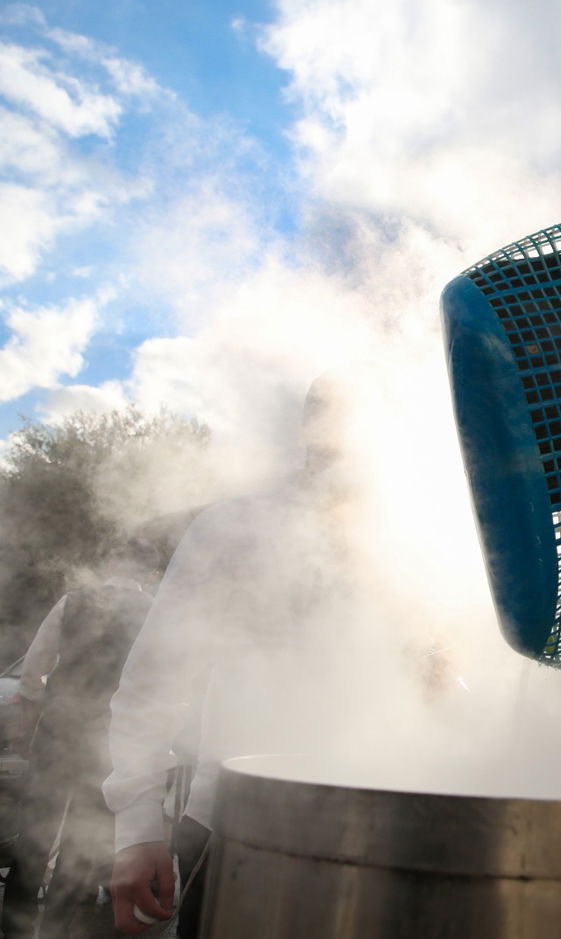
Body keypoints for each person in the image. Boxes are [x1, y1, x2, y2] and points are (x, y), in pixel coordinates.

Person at [102, 377, 369, 937]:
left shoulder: (434, 549)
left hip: (394, 829)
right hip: (233, 823)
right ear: (311, 429)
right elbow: (153, 681)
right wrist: (138, 825)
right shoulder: (235, 527)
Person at [3, 543, 163, 939]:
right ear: (152, 574)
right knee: (81, 842)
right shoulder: (156, 614)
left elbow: (33, 673)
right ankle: (56, 930)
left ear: (108, 562)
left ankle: (14, 929)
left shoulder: (73, 601)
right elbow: (161, 687)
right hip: (111, 742)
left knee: (36, 835)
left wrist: (28, 729)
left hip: (59, 733)